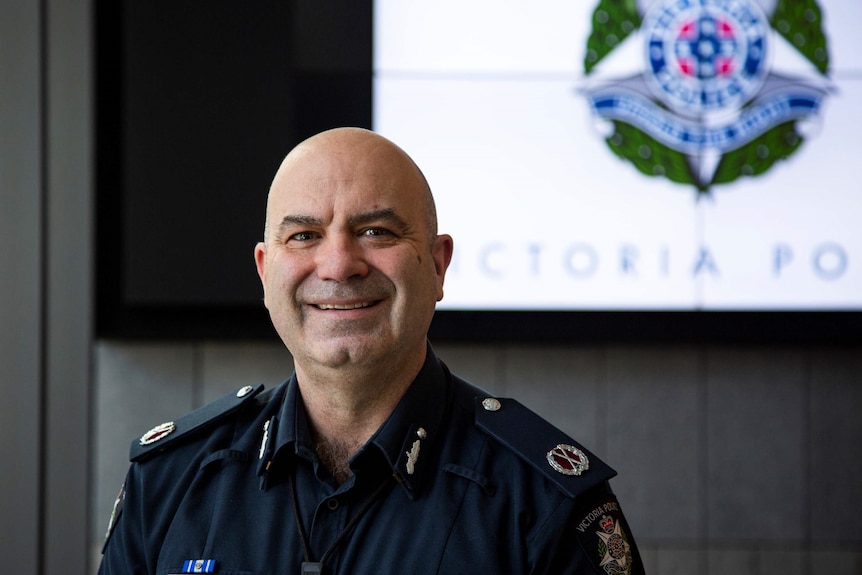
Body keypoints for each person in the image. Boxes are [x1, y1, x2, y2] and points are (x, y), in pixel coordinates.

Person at [99, 127, 646, 575]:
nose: (339, 264)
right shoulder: (170, 482)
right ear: (266, 273)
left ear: (436, 266)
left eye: (376, 231)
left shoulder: (545, 502)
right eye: (304, 236)